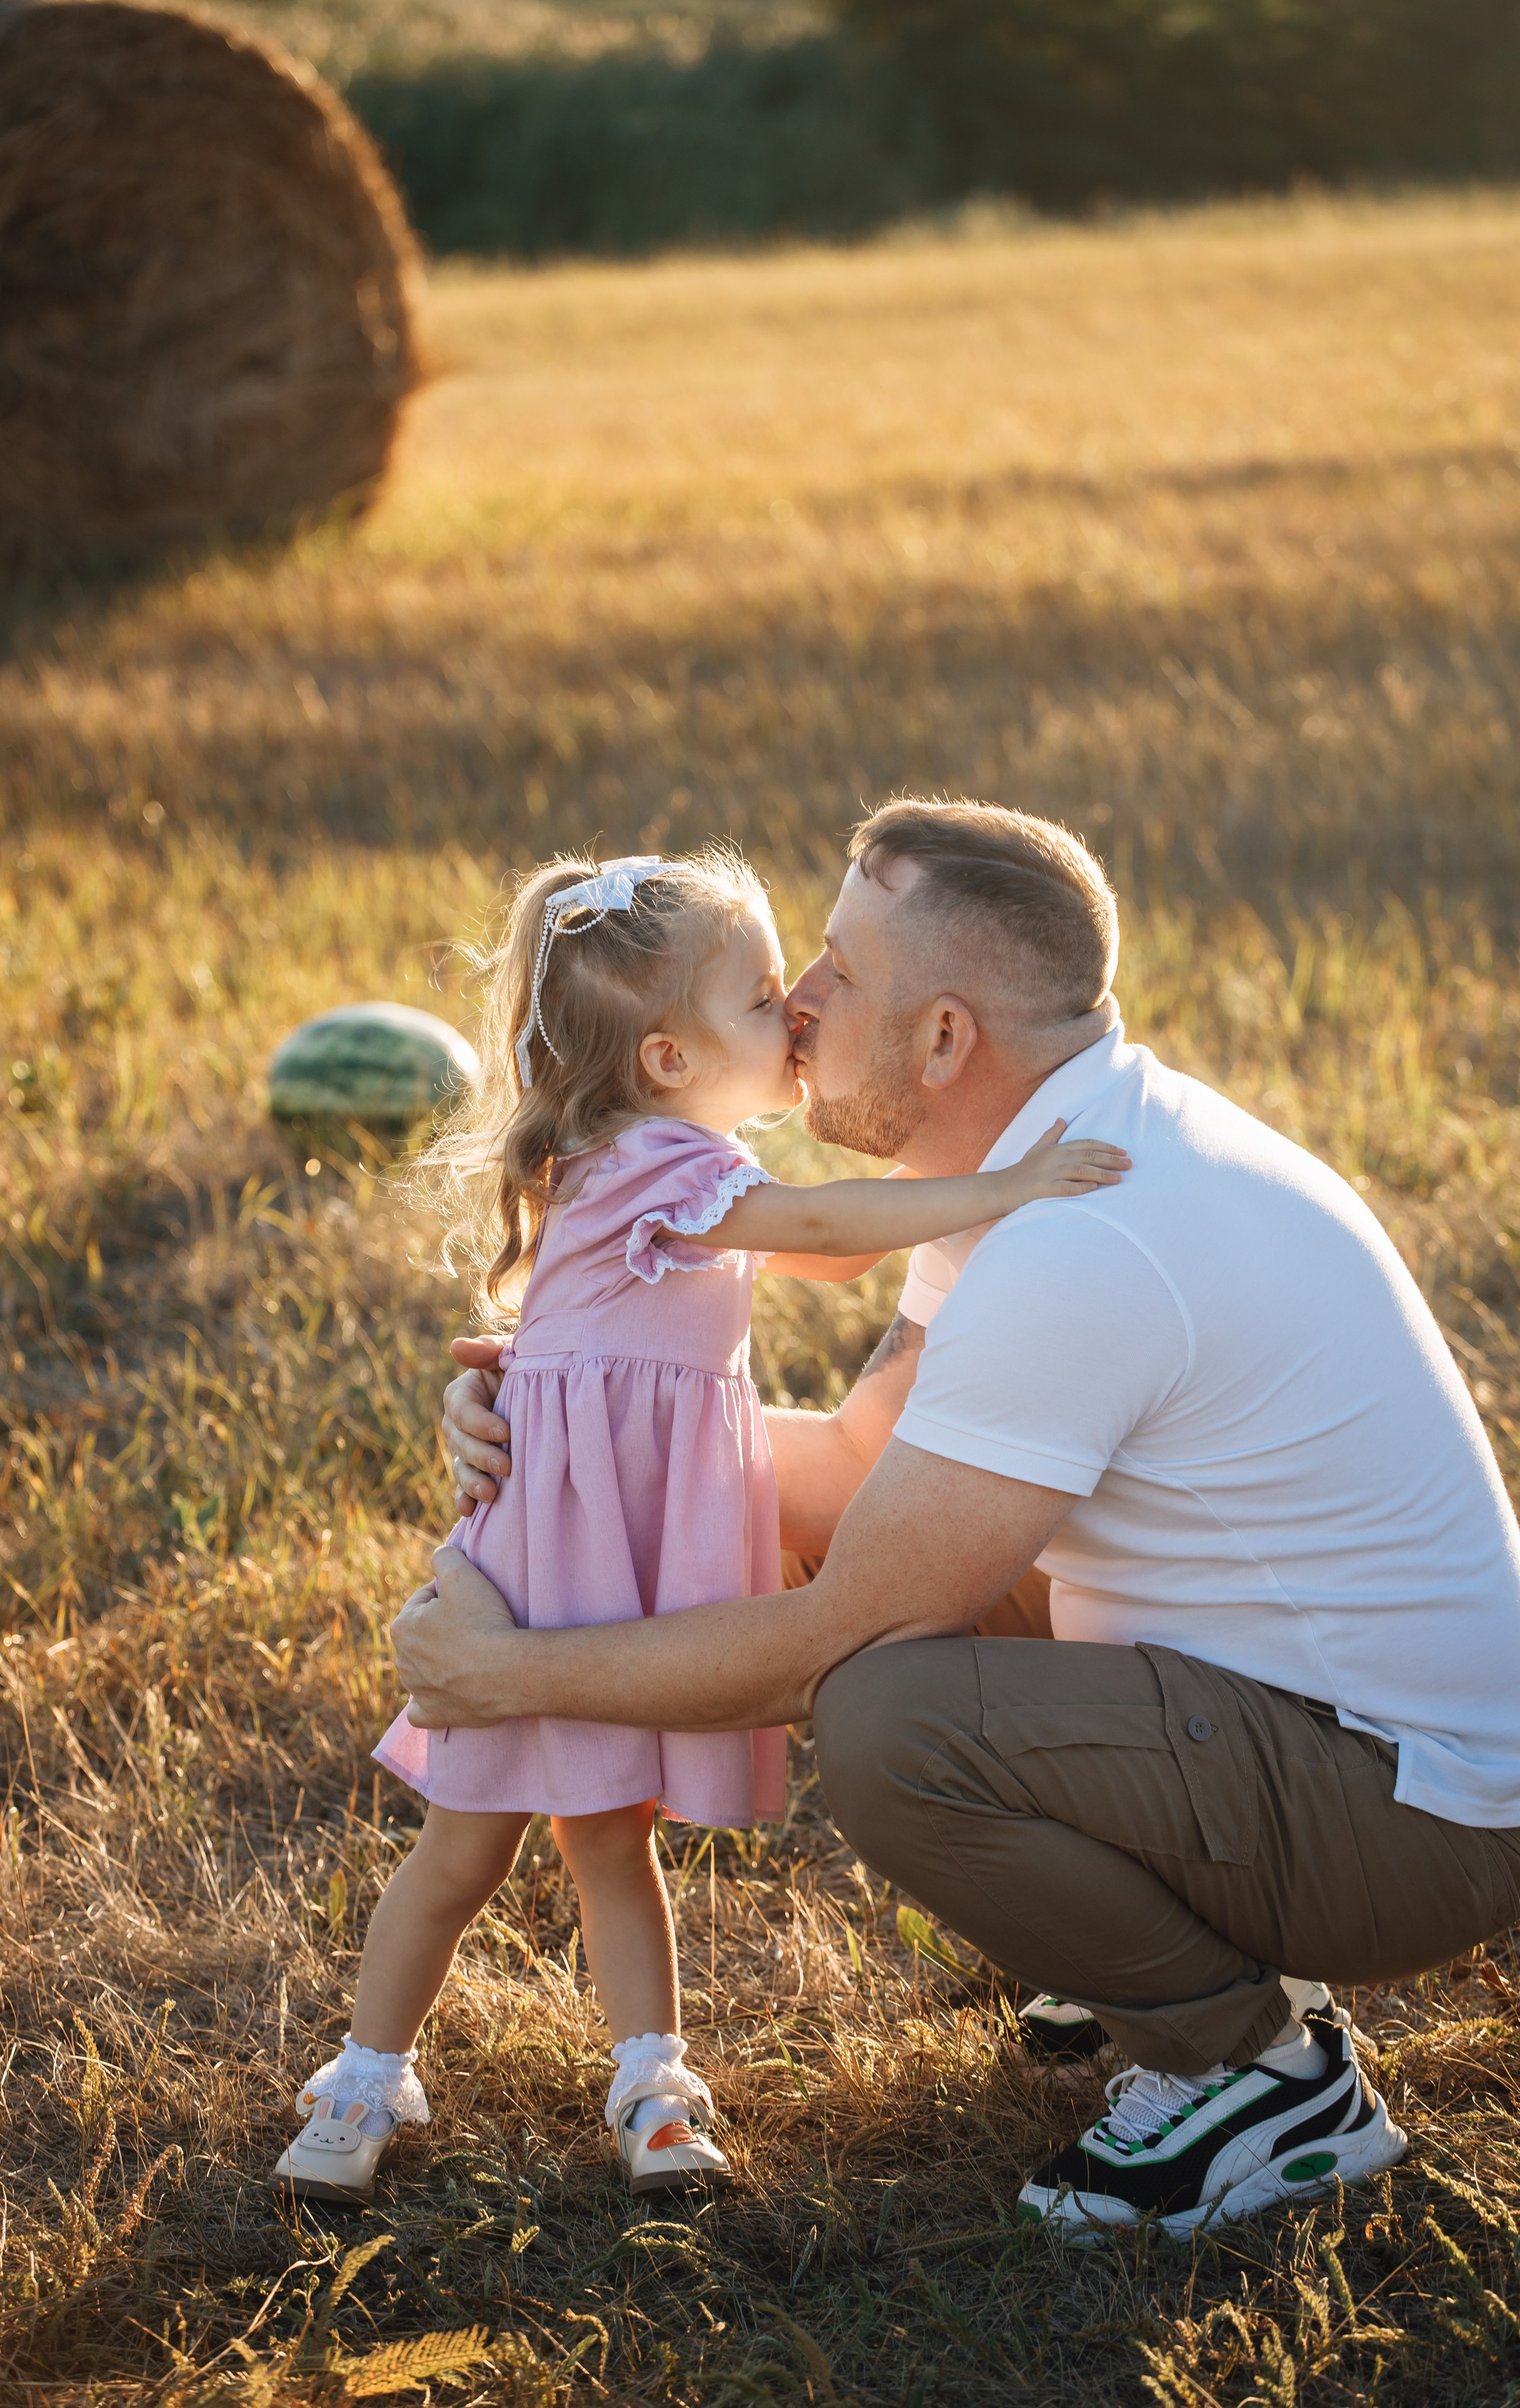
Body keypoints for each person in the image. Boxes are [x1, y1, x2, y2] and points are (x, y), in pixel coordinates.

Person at [423, 797, 1520, 2240]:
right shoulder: (1062, 1143)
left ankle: (1252, 2068)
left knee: (889, 1720)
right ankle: (1148, 1934)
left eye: (836, 972)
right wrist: (568, 1422)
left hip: (1411, 1823)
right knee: (895, 1575)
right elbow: (849, 1472)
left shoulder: (1078, 1240)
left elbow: (824, 1637)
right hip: (1341, 1743)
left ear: (942, 1040)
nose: (796, 1001)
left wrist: (500, 1676)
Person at [271, 844, 1128, 2205]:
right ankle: (370, 2069)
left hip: (595, 1531)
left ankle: (650, 2077)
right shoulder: (665, 1166)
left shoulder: (654, 1160)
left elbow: (831, 1247)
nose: (790, 1011)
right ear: (666, 1062)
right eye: (756, 1000)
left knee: (610, 1836)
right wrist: (1005, 1190)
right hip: (561, 1552)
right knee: (467, 1845)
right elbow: (830, 1216)